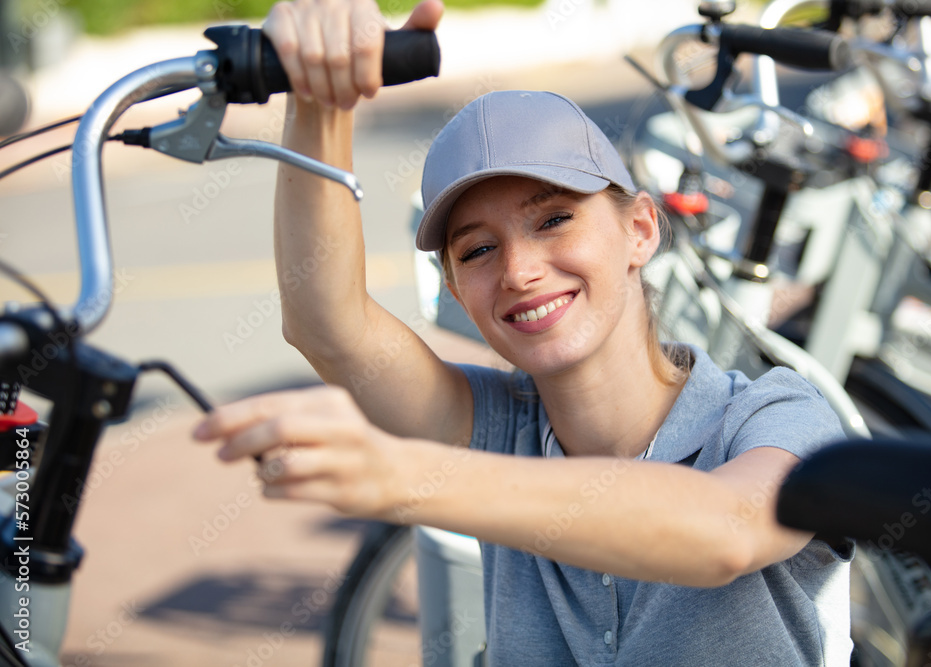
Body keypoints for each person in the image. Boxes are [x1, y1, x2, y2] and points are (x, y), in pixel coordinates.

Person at [193, 0, 854, 663]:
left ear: (640, 229)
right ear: (454, 288)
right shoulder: (499, 430)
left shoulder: (778, 414)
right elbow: (326, 323)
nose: (519, 270)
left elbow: (725, 531)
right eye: (477, 250)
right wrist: (317, 96)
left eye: (554, 219)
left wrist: (406, 474)